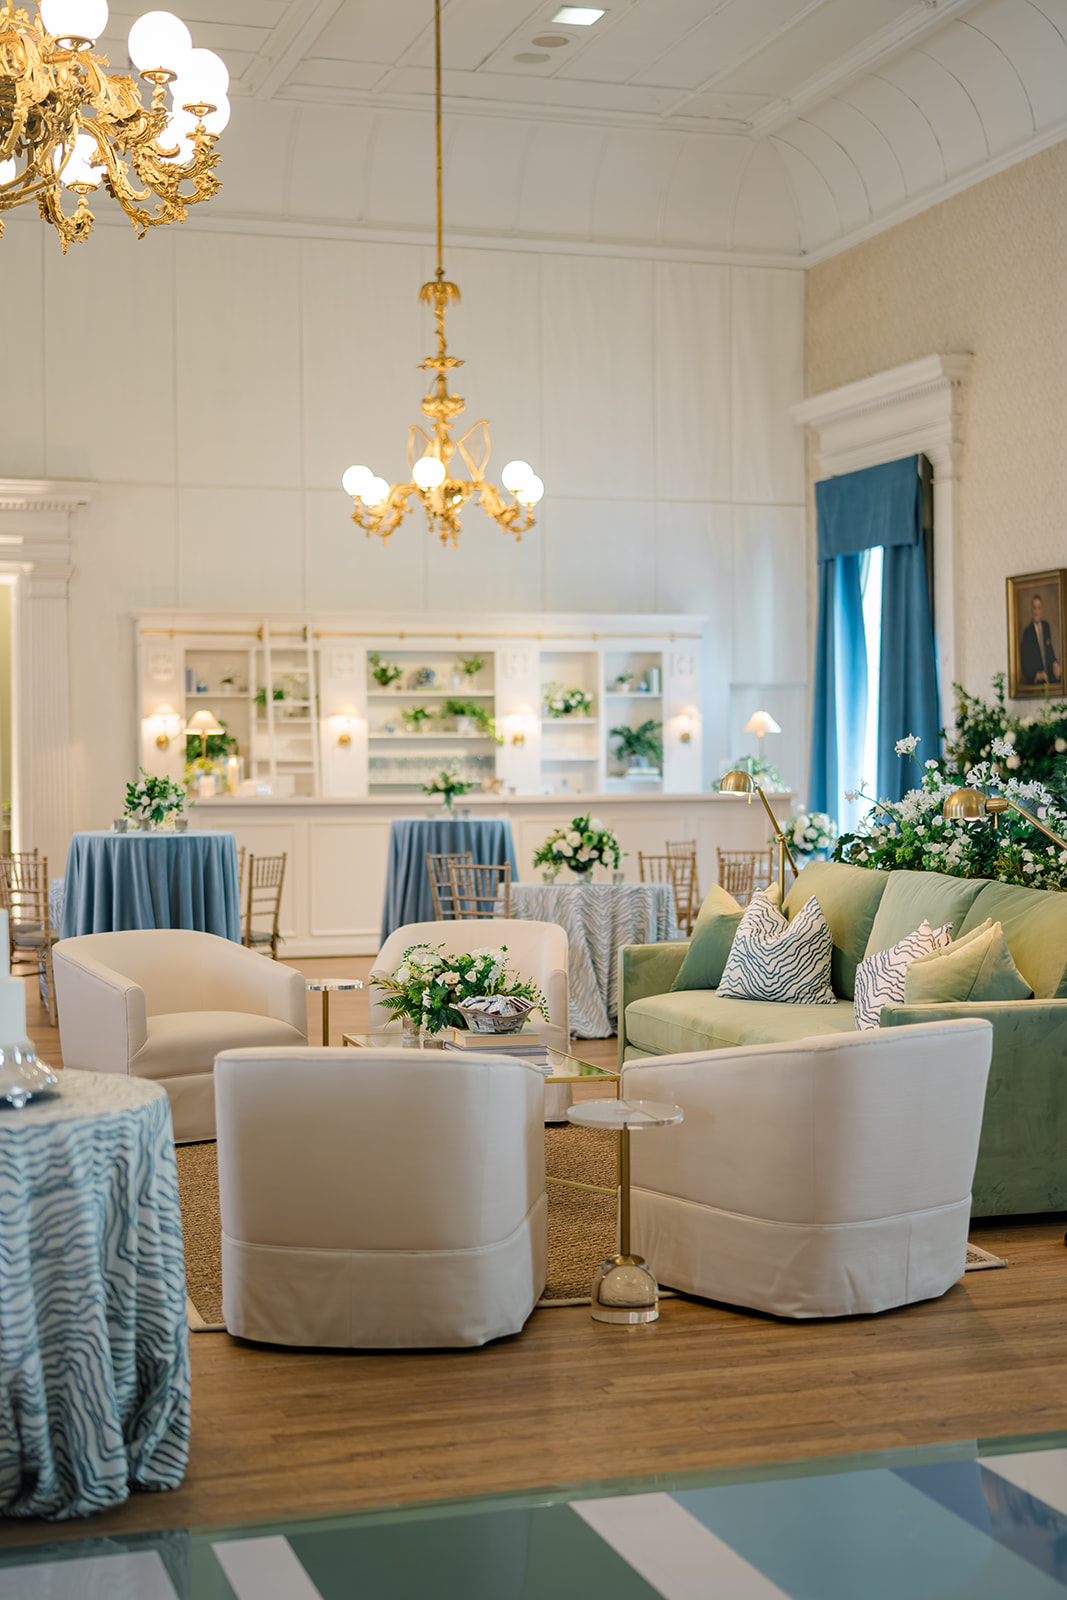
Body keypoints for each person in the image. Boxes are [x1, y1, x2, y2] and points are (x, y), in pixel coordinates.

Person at [1020, 593, 1062, 686]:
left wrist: (1055, 663)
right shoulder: (1027, 633)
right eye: (1034, 608)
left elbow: (1049, 651)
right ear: (1032, 610)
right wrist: (1037, 675)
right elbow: (1024, 664)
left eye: (1038, 608)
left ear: (1042, 610)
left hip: (1050, 678)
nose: (1036, 611)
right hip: (1036, 683)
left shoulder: (1046, 626)